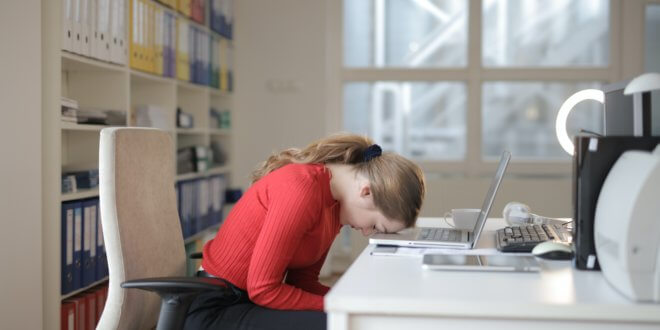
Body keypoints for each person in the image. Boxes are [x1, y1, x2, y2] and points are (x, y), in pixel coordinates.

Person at [184, 133, 426, 330]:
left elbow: (303, 282)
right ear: (366, 192)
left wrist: (353, 301)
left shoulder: (335, 207)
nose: (366, 232)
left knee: (353, 320)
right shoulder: (302, 190)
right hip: (217, 308)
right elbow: (264, 289)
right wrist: (340, 304)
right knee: (347, 325)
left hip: (247, 301)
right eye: (375, 226)